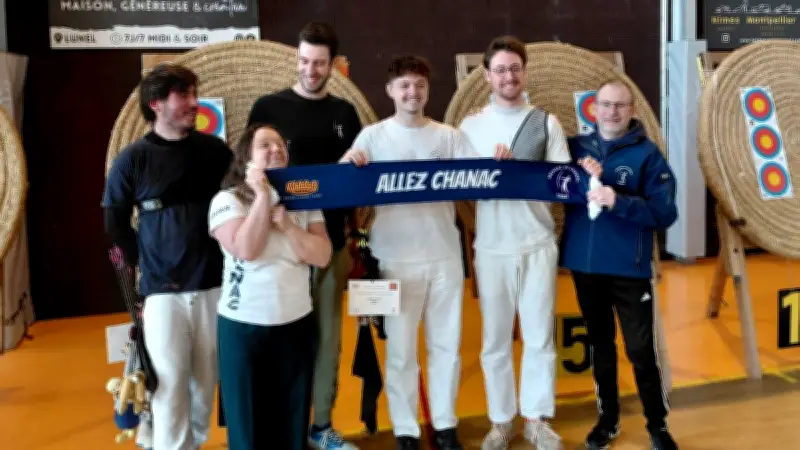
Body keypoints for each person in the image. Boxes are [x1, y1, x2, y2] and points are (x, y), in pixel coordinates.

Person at [340, 54, 496, 450]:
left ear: (428, 90)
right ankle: (406, 431)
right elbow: (342, 181)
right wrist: (349, 162)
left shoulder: (449, 137)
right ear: (391, 91)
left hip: (444, 256)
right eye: (405, 85)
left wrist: (500, 160)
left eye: (420, 85)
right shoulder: (372, 137)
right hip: (392, 259)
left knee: (446, 347)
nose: (413, 92)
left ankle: (445, 426)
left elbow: (483, 178)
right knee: (400, 352)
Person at [101, 63, 233, 450]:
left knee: (204, 385)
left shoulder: (215, 152)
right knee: (169, 384)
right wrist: (145, 266)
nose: (194, 102)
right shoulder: (133, 159)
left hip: (214, 285)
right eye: (184, 95)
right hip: (161, 292)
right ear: (156, 103)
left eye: (195, 94)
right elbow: (115, 222)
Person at [246, 22, 362, 450]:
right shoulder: (267, 107)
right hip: (278, 249)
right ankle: (281, 427)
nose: (310, 70)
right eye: (304, 61)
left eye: (319, 63)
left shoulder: (345, 114)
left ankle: (321, 425)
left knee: (327, 341)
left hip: (328, 246)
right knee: (280, 338)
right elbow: (250, 172)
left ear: (334, 65)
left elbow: (355, 183)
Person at [458, 35, 568, 450]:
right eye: (500, 70)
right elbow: (462, 184)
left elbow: (560, 183)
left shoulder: (546, 123)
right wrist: (491, 173)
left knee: (539, 337)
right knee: (495, 341)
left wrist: (518, 169)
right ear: (487, 76)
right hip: (491, 247)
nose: (508, 76)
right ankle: (501, 422)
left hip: (537, 242)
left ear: (525, 72)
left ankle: (536, 420)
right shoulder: (470, 126)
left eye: (515, 68)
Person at [560, 79, 679, 450]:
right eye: (606, 104)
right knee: (601, 346)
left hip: (629, 268)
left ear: (632, 110)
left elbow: (665, 213)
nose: (612, 112)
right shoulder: (573, 148)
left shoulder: (648, 155)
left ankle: (657, 426)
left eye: (620, 105)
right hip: (585, 267)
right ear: (593, 108)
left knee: (640, 350)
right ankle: (607, 420)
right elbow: (542, 175)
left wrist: (618, 200)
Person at [209, 123, 331, 450]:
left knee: (292, 423)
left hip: (296, 323)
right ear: (247, 156)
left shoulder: (305, 198)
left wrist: (289, 225)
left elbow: (322, 255)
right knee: (247, 426)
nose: (276, 149)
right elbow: (246, 249)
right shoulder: (227, 200)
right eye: (265, 145)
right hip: (244, 326)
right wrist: (262, 196)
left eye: (280, 144)